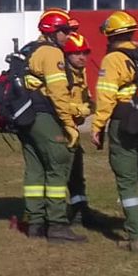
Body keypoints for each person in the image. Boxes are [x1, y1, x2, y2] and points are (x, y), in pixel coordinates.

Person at [91, 11, 138, 252]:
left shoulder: (113, 59)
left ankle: (136, 237)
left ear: (110, 35)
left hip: (124, 121)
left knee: (127, 181)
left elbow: (106, 95)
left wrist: (97, 126)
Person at [21, 8, 87, 244]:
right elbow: (59, 94)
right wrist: (69, 125)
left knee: (35, 170)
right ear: (54, 31)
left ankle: (36, 223)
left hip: (26, 118)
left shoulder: (31, 49)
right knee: (58, 165)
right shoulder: (51, 53)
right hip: (45, 117)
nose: (68, 36)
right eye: (65, 31)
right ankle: (58, 225)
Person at [60, 33, 95, 225]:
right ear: (67, 55)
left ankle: (80, 213)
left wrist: (88, 106)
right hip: (61, 131)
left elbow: (86, 98)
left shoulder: (80, 72)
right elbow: (57, 100)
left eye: (85, 53)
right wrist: (79, 109)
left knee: (76, 176)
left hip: (74, 130)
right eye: (76, 53)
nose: (82, 57)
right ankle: (54, 217)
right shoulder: (63, 73)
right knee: (60, 175)